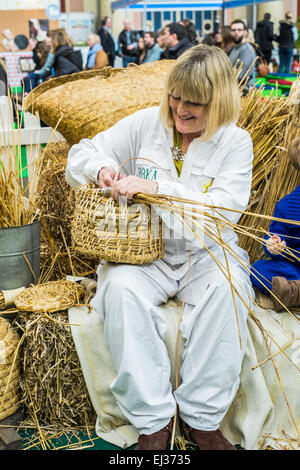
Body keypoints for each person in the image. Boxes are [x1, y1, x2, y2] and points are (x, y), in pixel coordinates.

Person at [66, 44, 254, 451]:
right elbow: (81, 151)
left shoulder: (236, 143)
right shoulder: (144, 125)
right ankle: (154, 422)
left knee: (231, 290)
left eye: (195, 103)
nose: (180, 109)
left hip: (208, 253)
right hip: (145, 254)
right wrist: (99, 169)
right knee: (119, 290)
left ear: (219, 102)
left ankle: (200, 419)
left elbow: (222, 214)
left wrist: (157, 189)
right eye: (175, 96)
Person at [250, 137, 300, 312]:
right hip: (295, 270)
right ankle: (294, 290)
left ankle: (293, 293)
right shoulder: (287, 206)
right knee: (258, 269)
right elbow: (275, 237)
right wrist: (275, 246)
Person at [228, 19, 257, 95]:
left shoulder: (247, 49)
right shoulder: (234, 48)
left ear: (245, 32)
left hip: (244, 92)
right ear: (231, 32)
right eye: (233, 30)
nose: (236, 32)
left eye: (239, 30)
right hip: (234, 90)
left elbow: (240, 75)